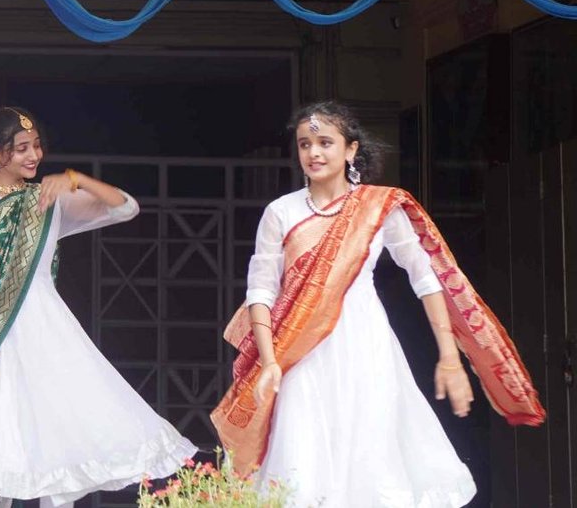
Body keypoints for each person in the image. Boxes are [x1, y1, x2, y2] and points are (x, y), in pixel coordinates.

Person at [213, 101, 545, 507]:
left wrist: (449, 357)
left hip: (366, 344)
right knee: (303, 455)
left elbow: (425, 277)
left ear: (350, 149)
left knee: (372, 454)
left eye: (325, 142)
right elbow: (261, 291)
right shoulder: (280, 212)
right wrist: (268, 362)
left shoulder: (378, 207)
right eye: (304, 144)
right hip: (298, 353)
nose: (314, 152)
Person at [0, 107, 194, 508]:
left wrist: (76, 180)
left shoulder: (48, 199)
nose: (34, 156)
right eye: (21, 148)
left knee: (56, 443)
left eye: (37, 146)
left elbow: (125, 207)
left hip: (47, 334)